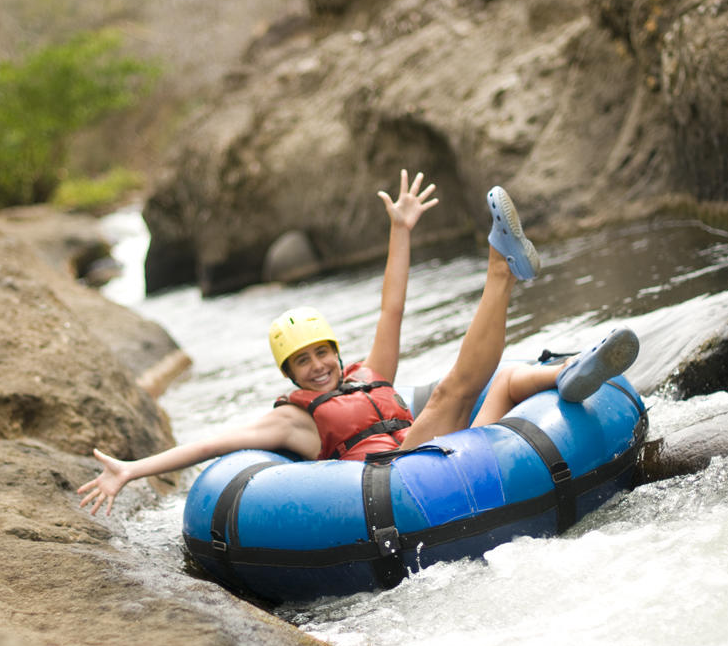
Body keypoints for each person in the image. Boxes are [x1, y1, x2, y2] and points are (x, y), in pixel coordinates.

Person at [78, 170, 639, 515]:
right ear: (290, 375)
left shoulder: (371, 373)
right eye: (303, 362)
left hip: (454, 448)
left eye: (322, 352)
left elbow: (390, 307)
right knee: (450, 391)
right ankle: (501, 267)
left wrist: (400, 230)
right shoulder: (293, 421)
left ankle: (570, 372)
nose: (318, 366)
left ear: (335, 352)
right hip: (405, 474)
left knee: (510, 379)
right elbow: (209, 446)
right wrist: (132, 468)